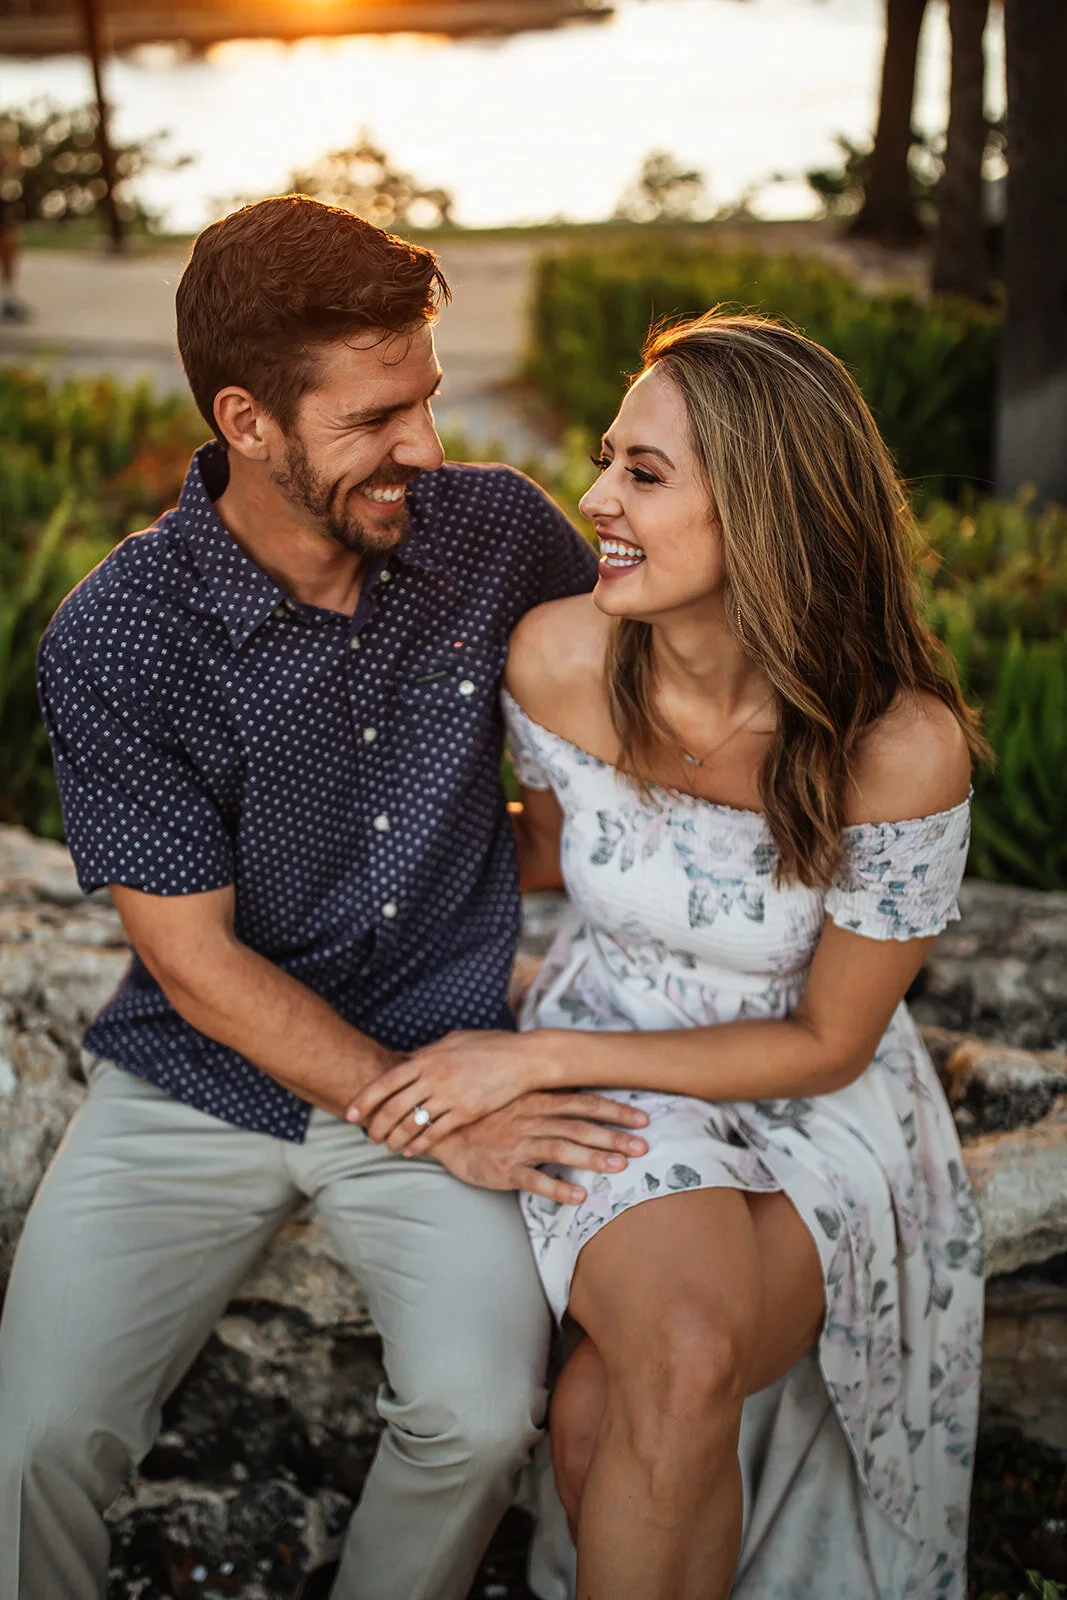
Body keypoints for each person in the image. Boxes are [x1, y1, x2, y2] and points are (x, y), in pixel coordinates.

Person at [0, 195, 652, 1600]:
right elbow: (193, 965)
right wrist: (416, 1114)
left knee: (479, 1425)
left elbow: (659, 690)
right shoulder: (118, 638)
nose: (424, 442)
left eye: (421, 396)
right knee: (34, 1444)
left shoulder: (491, 538)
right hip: (196, 1079)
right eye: (375, 417)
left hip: (447, 1050)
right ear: (246, 420)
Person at [349, 312, 987, 1600]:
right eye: (606, 458)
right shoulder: (560, 661)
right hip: (624, 1060)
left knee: (613, 1415)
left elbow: (829, 1043)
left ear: (768, 510)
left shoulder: (899, 748)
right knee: (682, 1359)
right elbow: (531, 853)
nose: (593, 498)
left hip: (814, 1093)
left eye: (645, 474)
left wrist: (528, 1058)